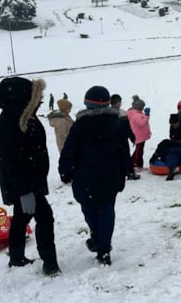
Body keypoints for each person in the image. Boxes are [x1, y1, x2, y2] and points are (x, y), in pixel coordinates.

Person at [0, 76, 60, 276]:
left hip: (30, 179)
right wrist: (24, 191)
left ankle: (16, 257)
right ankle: (50, 263)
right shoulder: (8, 124)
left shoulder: (25, 116)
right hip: (23, 182)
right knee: (45, 218)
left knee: (22, 218)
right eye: (36, 97)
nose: (40, 101)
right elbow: (11, 161)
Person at [59, 86, 131, 266]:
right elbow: (124, 152)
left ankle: (98, 239)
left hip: (85, 177)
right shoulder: (117, 124)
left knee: (89, 209)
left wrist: (64, 171)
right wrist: (125, 172)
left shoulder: (79, 126)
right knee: (107, 210)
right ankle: (104, 247)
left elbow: (69, 152)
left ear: (87, 104)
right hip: (110, 176)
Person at [111, 94, 139, 180]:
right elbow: (127, 127)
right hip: (122, 139)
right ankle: (130, 173)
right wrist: (133, 138)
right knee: (125, 156)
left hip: (111, 139)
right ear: (118, 102)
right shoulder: (122, 113)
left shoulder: (107, 113)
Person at [127, 95, 151, 170]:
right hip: (139, 135)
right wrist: (147, 115)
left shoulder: (134, 113)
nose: (143, 108)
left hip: (138, 135)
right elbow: (142, 123)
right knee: (139, 151)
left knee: (138, 150)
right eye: (142, 107)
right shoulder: (136, 115)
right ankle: (138, 164)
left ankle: (132, 162)